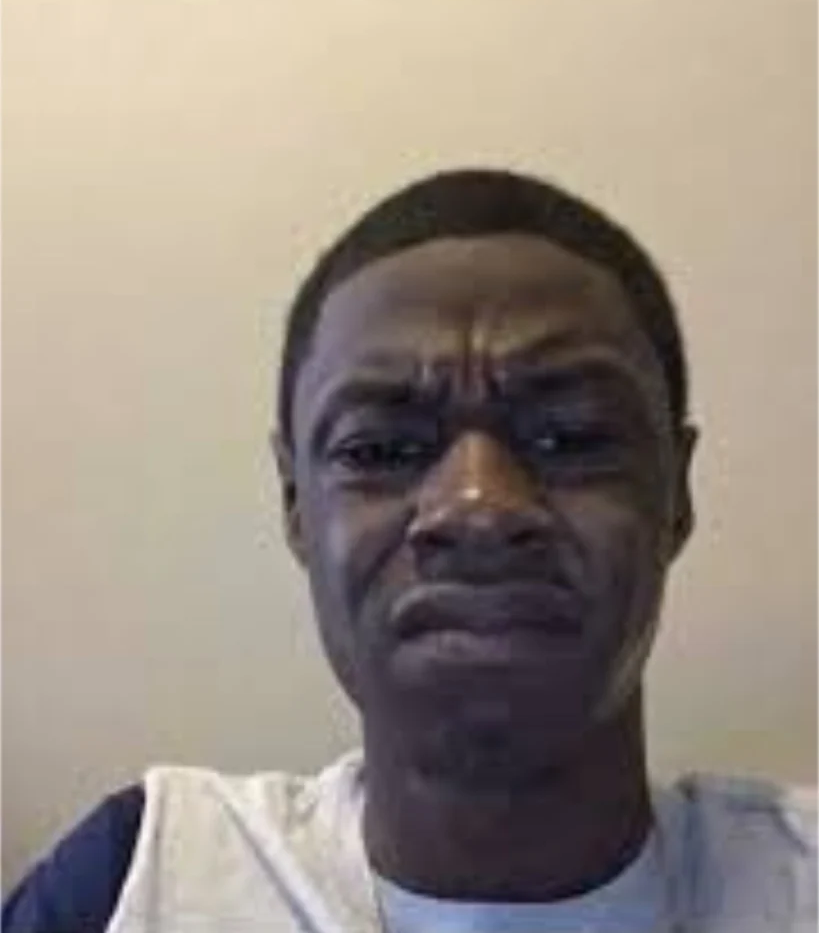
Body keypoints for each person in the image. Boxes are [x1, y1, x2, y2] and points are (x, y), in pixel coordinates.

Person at [4, 169, 815, 932]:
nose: (478, 506)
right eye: (381, 449)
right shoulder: (140, 880)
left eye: (568, 437)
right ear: (296, 504)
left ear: (674, 493)